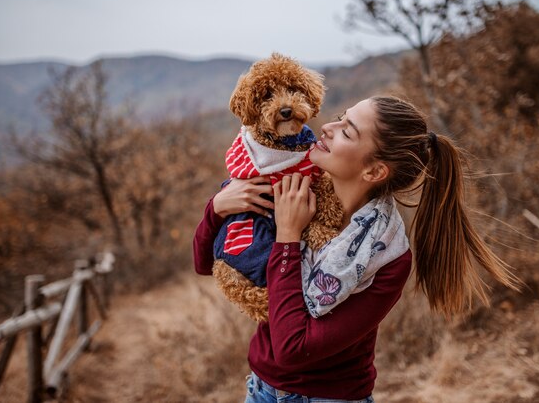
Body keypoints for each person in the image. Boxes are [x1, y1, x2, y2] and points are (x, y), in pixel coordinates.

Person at [193, 96, 520, 402]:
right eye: (340, 118)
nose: (326, 127)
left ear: (374, 171)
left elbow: (293, 349)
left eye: (346, 131)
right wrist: (217, 208)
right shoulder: (298, 191)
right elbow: (206, 263)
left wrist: (288, 236)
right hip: (261, 390)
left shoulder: (387, 256)